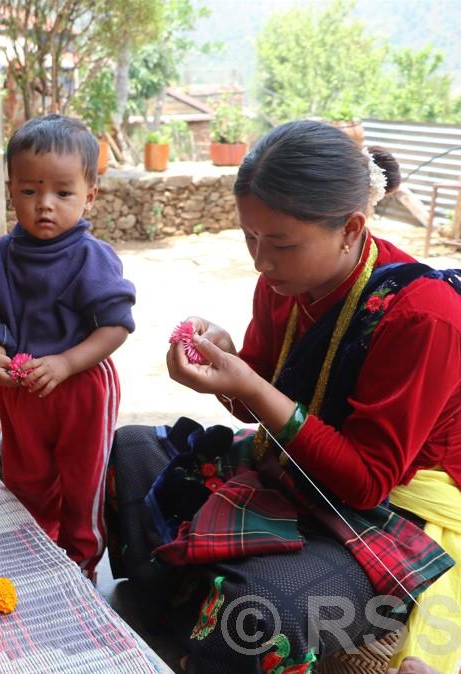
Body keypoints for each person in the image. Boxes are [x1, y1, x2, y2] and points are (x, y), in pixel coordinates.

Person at [108, 120, 461, 673]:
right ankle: (167, 625)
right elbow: (261, 402)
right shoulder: (282, 283)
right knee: (131, 451)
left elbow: (367, 482)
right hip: (292, 466)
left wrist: (247, 383)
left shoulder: (422, 316)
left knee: (259, 610)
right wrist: (230, 366)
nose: (260, 261)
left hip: (393, 507)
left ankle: (194, 637)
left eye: (281, 243)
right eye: (250, 237)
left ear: (350, 228)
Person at [0, 115, 136, 576]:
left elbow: (115, 326)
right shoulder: (0, 255)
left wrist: (66, 362)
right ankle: (34, 549)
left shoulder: (91, 257)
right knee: (26, 477)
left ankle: (81, 559)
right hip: (21, 390)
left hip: (82, 388)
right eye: (30, 191)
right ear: (10, 189)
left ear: (90, 195)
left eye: (63, 193)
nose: (45, 205)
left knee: (83, 484)